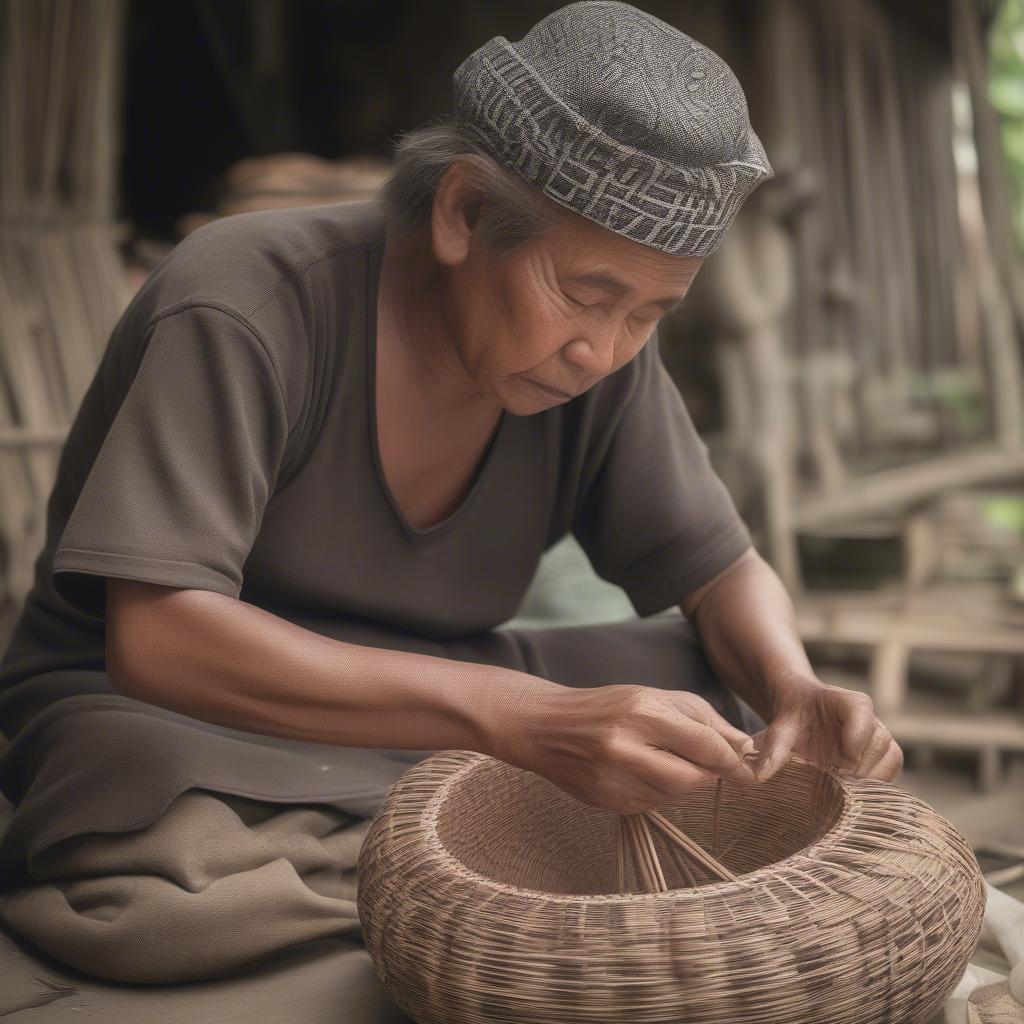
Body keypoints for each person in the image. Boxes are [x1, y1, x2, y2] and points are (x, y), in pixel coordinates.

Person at [0, 0, 902, 986]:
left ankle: (441, 857)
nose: (601, 350)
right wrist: (512, 719)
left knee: (705, 693)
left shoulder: (600, 363)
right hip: (186, 713)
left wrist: (791, 686)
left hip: (437, 691)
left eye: (651, 313)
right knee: (138, 819)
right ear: (462, 212)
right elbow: (157, 637)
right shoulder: (245, 299)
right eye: (586, 295)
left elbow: (719, 566)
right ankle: (467, 864)